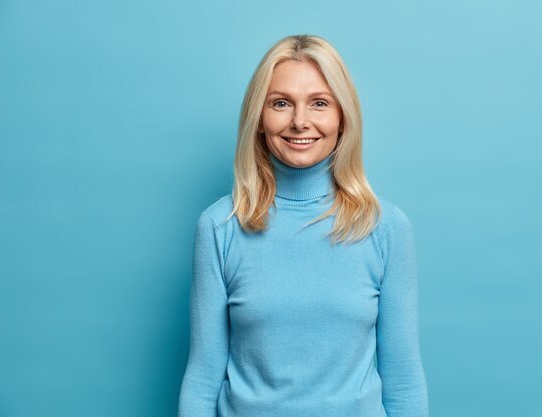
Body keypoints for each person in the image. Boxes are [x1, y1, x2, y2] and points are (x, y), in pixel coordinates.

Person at [178, 34, 429, 417]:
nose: (299, 122)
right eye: (280, 103)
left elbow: (404, 380)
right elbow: (203, 377)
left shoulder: (386, 228)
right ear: (258, 119)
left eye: (319, 103)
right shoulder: (219, 227)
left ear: (343, 117)